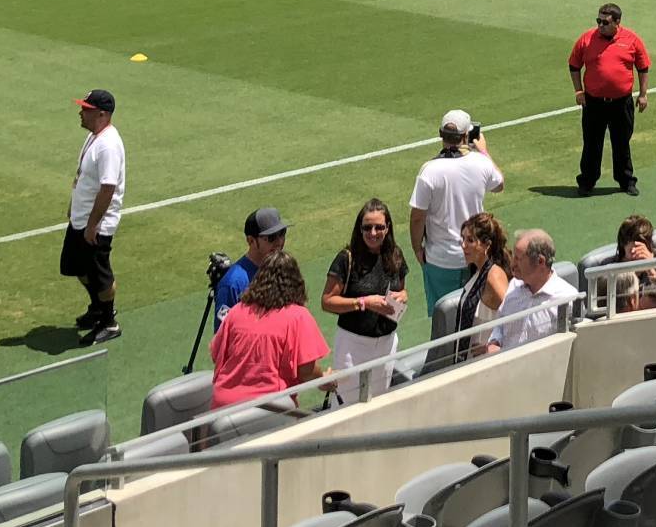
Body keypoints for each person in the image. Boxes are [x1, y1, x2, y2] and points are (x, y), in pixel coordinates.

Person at [411, 112, 503, 319]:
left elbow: (417, 217)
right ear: (466, 136)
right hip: (476, 254)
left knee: (443, 319)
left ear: (441, 134)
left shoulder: (429, 170)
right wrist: (484, 151)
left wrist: (417, 248)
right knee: (477, 316)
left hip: (440, 258)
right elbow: (499, 184)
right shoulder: (481, 163)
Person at [208, 254, 327, 410]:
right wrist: (326, 379)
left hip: (224, 408)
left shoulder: (237, 311)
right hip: (269, 409)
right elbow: (308, 371)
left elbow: (216, 354)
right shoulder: (299, 316)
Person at [321, 199, 410, 404]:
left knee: (378, 401)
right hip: (353, 344)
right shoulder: (347, 258)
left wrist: (404, 296)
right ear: (359, 229)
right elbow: (327, 301)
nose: (373, 233)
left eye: (379, 227)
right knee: (347, 403)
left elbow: (402, 289)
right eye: (367, 227)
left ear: (387, 228)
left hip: (387, 342)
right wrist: (363, 303)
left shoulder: (395, 255)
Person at [568, 3, 651, 196]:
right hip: (594, 102)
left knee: (622, 142)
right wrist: (578, 91)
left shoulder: (631, 40)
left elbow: (643, 66)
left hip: (622, 102)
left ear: (617, 22)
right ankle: (587, 182)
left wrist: (643, 94)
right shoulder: (587, 39)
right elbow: (573, 65)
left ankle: (626, 181)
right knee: (591, 143)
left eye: (605, 22)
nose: (600, 25)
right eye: (598, 21)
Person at [63, 88, 124, 345]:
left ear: (101, 114)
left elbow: (108, 188)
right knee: (76, 267)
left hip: (95, 224)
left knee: (101, 275)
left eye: (85, 109)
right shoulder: (95, 137)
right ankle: (98, 307)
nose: (80, 112)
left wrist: (93, 224)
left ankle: (109, 322)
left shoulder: (108, 145)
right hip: (82, 218)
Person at [485, 230, 577, 354]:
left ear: (540, 261)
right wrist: (495, 342)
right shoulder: (513, 287)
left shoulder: (567, 299)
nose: (512, 264)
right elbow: (500, 324)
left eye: (518, 259)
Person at [213, 207, 288, 327]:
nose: (279, 242)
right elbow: (224, 335)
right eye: (271, 237)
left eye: (282, 234)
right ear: (251, 241)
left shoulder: (283, 269)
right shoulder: (233, 283)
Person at [451, 211, 511, 337]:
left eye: (470, 240)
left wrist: (496, 345)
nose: (463, 245)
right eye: (463, 239)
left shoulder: (494, 276)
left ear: (487, 245)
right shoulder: (479, 271)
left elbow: (515, 317)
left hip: (489, 354)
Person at [608, 215, 656, 314]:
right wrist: (633, 273)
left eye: (640, 245)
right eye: (630, 248)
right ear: (623, 245)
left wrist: (651, 269)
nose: (635, 252)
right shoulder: (610, 268)